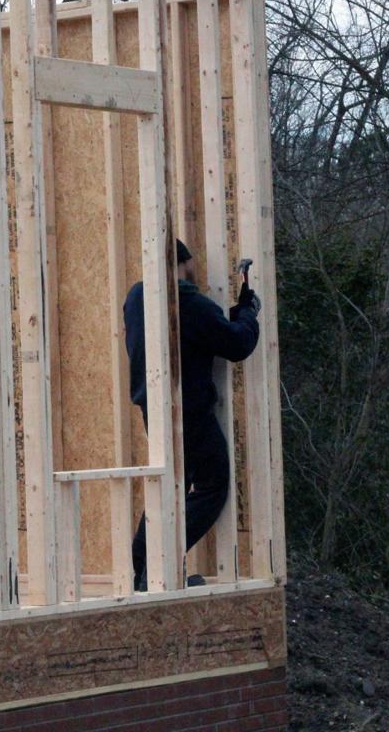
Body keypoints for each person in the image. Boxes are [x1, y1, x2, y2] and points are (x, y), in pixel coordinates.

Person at [124, 239, 260, 590]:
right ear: (182, 263)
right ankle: (159, 566)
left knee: (169, 490)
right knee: (212, 484)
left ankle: (141, 573)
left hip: (153, 408)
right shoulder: (189, 303)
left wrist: (229, 316)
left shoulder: (137, 298)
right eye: (191, 264)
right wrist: (248, 312)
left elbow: (197, 333)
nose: (195, 271)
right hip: (189, 412)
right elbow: (236, 344)